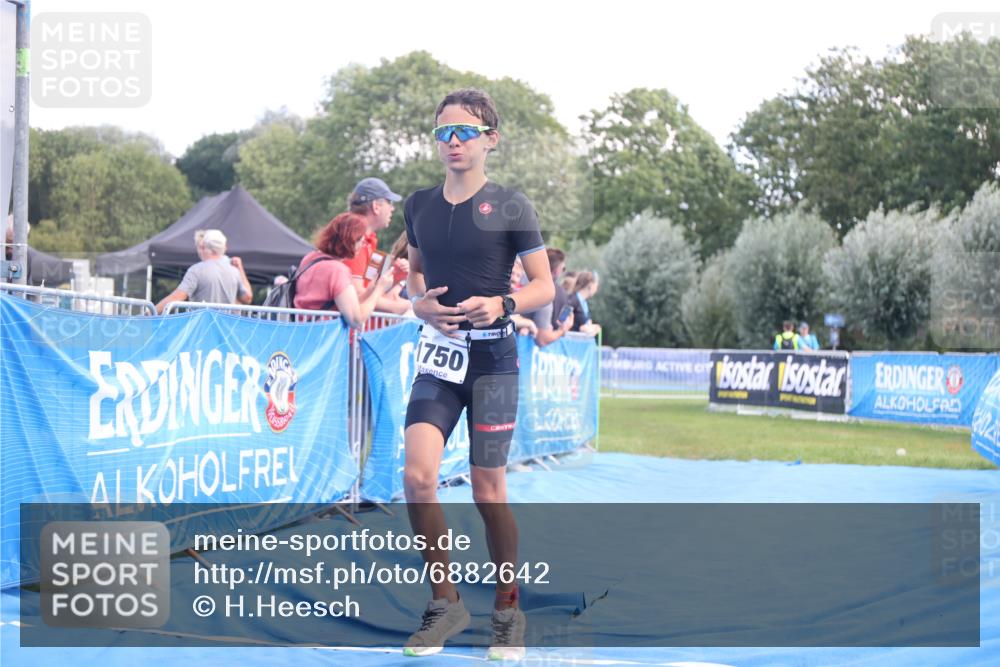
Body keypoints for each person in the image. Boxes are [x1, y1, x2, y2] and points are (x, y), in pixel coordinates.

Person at [402, 88, 554, 661]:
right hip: (438, 362)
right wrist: (418, 305)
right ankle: (446, 602)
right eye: (443, 133)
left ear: (490, 138)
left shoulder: (512, 205)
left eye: (465, 132)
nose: (453, 142)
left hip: (493, 362)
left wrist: (505, 305)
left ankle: (508, 610)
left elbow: (545, 286)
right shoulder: (419, 205)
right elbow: (414, 278)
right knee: (417, 477)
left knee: (489, 489)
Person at [292, 212, 395, 328]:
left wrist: (370, 291)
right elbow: (357, 320)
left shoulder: (310, 258)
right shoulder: (337, 270)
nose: (362, 244)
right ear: (349, 240)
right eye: (360, 239)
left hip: (302, 333)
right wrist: (379, 291)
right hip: (324, 338)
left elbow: (344, 303)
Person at [343, 177, 412, 316]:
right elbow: (357, 295)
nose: (392, 209)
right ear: (376, 206)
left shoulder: (367, 239)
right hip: (352, 334)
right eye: (390, 202)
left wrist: (397, 276)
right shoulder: (355, 238)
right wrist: (399, 307)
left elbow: (369, 288)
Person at [155, 229, 252, 314]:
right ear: (224, 247)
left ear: (203, 246)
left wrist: (150, 312)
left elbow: (176, 297)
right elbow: (247, 297)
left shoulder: (196, 270)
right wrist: (240, 269)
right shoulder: (234, 270)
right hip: (227, 331)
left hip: (203, 330)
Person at [522, 248, 574, 347]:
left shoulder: (521, 278)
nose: (562, 272)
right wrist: (562, 330)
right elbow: (542, 339)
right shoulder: (544, 293)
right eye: (563, 268)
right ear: (556, 270)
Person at [568, 270, 601, 336]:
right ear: (590, 285)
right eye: (596, 286)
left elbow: (587, 325)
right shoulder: (572, 301)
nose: (596, 289)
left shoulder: (584, 303)